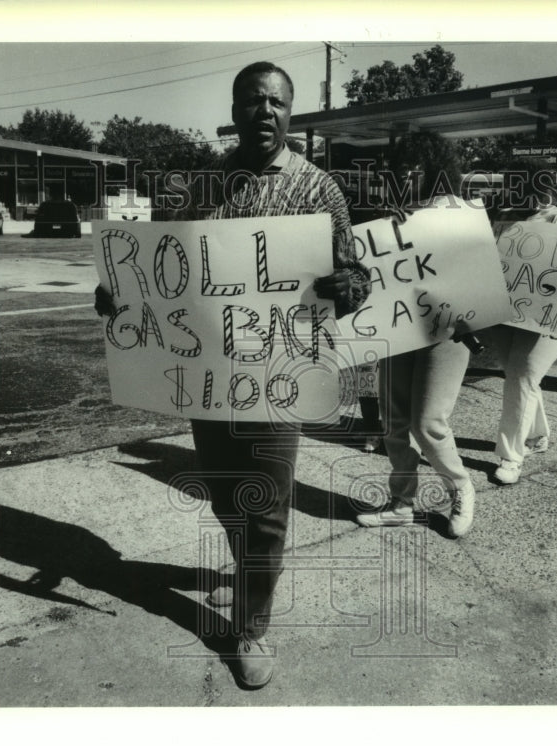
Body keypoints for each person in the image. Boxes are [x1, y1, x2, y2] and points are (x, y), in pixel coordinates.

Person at [96, 62, 370, 689]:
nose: (264, 113)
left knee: (266, 507)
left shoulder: (318, 190)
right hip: (212, 375)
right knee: (225, 495)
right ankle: (248, 571)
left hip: (280, 376)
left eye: (275, 102)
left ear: (290, 112)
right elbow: (162, 265)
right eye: (252, 101)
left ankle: (251, 628)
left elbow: (356, 279)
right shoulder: (204, 186)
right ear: (235, 109)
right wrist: (116, 293)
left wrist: (346, 285)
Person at [355, 132, 476, 538]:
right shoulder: (393, 212)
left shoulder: (460, 212)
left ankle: (460, 487)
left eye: (418, 165)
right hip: (399, 323)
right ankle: (401, 503)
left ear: (438, 169)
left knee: (429, 424)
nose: (409, 173)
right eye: (403, 165)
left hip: (447, 330)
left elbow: (478, 277)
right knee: (394, 422)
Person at [486, 201, 557, 485]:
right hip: (506, 311)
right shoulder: (501, 215)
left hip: (545, 317)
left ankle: (511, 456)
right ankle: (537, 436)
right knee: (519, 375)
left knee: (522, 376)